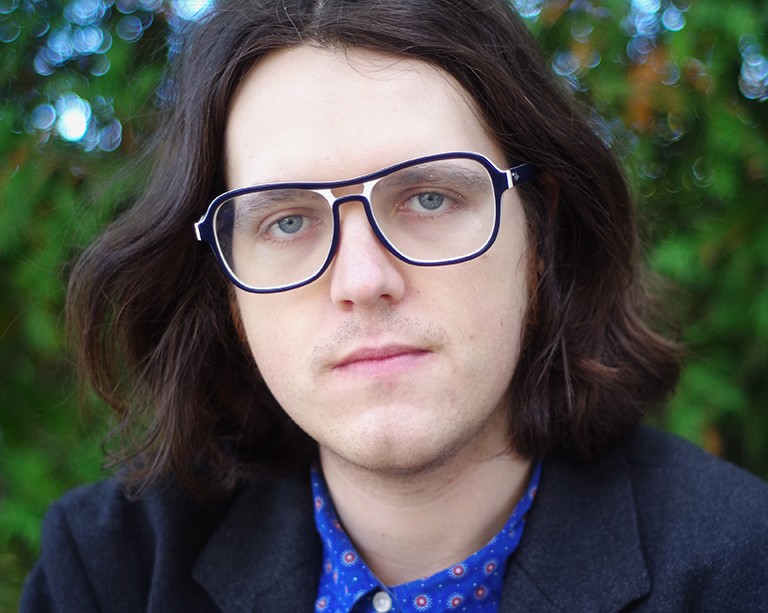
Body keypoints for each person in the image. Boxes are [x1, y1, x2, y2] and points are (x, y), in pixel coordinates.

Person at [21, 0, 768, 611]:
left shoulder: (740, 568)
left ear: (538, 237)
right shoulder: (109, 569)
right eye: (286, 219)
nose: (362, 278)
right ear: (228, 287)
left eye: (431, 197)